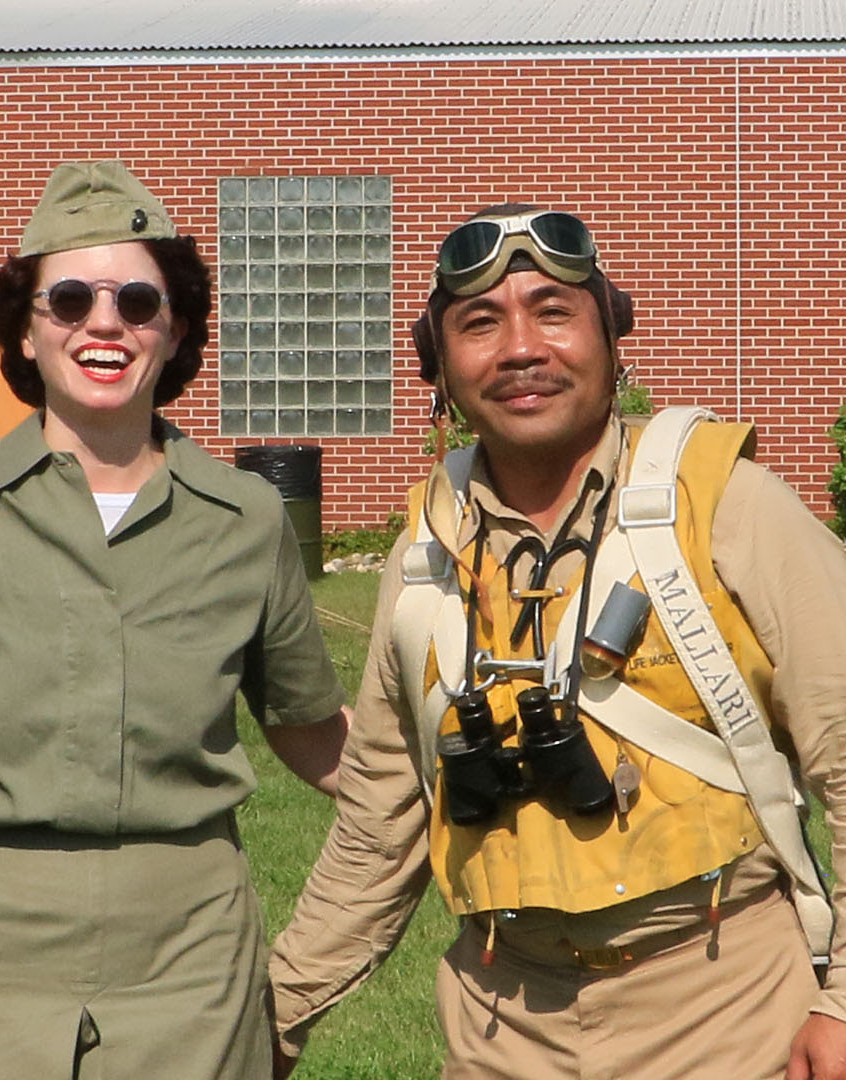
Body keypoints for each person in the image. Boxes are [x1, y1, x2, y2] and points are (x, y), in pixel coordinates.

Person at [269, 204, 846, 1080]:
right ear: (438, 366)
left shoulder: (727, 506)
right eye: (479, 324)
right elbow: (375, 835)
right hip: (503, 1025)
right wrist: (271, 1020)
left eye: (553, 312)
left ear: (612, 338)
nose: (520, 351)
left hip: (731, 1010)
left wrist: (841, 1001)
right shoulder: (425, 556)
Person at [0, 160, 350, 1080]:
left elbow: (312, 731)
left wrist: (466, 786)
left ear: (176, 331)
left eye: (138, 299)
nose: (105, 322)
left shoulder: (247, 518)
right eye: (70, 299)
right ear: (23, 329)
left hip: (187, 955)